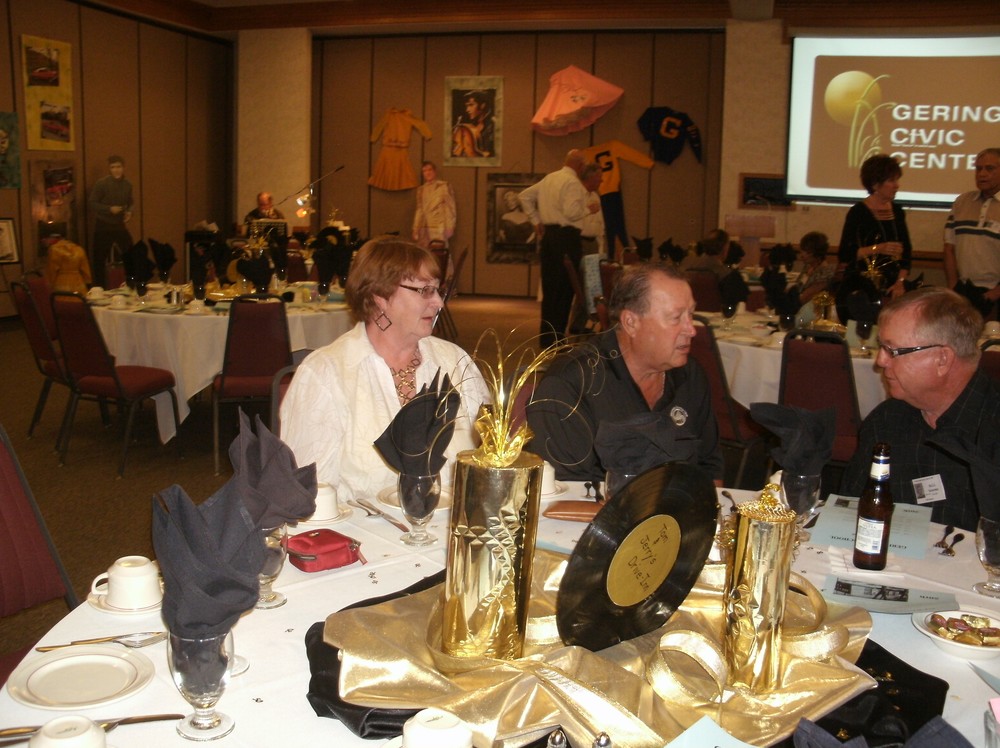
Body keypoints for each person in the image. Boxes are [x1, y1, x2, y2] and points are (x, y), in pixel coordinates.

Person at [279, 237, 490, 501]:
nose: (439, 303)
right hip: (359, 526)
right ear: (379, 296)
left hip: (450, 524)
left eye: (438, 290)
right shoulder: (325, 374)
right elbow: (309, 493)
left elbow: (489, 457)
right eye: (425, 291)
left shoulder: (455, 361)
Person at [526, 263, 723, 484]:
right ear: (631, 322)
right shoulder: (571, 385)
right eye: (676, 318)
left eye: (691, 314)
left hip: (679, 503)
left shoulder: (690, 375)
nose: (692, 330)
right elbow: (561, 492)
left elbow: (710, 467)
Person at [840, 287, 1000, 532]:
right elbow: (849, 513)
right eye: (881, 347)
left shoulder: (992, 425)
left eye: (892, 350)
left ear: (942, 359)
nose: (880, 361)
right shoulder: (886, 420)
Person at [518, 149, 599, 347]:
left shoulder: (549, 178)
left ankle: (547, 338)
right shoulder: (573, 183)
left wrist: (536, 220)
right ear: (580, 166)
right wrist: (589, 209)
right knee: (564, 290)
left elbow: (524, 196)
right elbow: (571, 212)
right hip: (567, 239)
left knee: (550, 289)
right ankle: (557, 338)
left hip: (549, 239)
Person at [836, 153, 912, 300]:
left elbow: (906, 254)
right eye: (891, 180)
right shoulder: (858, 212)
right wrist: (878, 248)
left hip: (894, 285)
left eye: (897, 180)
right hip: (861, 286)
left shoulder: (898, 211)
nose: (897, 185)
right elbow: (845, 254)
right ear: (875, 184)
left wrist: (900, 282)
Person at [943, 147, 1000, 320]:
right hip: (963, 291)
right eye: (978, 168)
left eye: (989, 168)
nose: (982, 174)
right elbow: (949, 247)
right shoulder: (962, 202)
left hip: (995, 293)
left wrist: (993, 294)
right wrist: (953, 286)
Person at [88, 155, 134, 288]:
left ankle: (132, 284)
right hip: (103, 225)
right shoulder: (102, 184)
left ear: (123, 168)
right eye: (113, 167)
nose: (116, 170)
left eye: (118, 167)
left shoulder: (128, 185)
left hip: (119, 224)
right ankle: (100, 288)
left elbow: (130, 202)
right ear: (109, 169)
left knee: (131, 254)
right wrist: (109, 209)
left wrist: (129, 212)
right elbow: (92, 203)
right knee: (99, 259)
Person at [411, 162, 456, 249]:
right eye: (424, 171)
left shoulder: (443, 186)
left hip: (438, 226)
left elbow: (450, 208)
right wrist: (415, 228)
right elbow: (419, 210)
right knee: (424, 252)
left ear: (435, 171)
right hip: (423, 226)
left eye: (429, 170)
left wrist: (450, 226)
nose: (427, 173)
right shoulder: (421, 190)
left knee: (438, 250)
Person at [795, 231, 836, 303]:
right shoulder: (808, 267)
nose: (801, 255)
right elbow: (797, 288)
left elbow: (805, 298)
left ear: (814, 253)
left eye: (804, 251)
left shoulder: (824, 273)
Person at [451, 90, 494, 158]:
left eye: (471, 105)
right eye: (466, 106)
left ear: (482, 105)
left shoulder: (493, 125)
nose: (467, 110)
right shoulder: (469, 126)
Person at [579, 163, 605, 258]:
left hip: (594, 243)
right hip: (579, 243)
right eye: (599, 177)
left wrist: (601, 247)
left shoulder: (595, 196)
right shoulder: (576, 195)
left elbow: (600, 222)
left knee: (593, 268)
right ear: (591, 177)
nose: (602, 180)